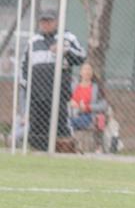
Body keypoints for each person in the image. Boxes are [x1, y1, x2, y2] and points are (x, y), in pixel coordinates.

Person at [20, 10, 87, 152]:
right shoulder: (33, 41)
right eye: (43, 21)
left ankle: (67, 152)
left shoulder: (67, 37)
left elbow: (81, 56)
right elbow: (24, 66)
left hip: (58, 93)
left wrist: (65, 50)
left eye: (49, 21)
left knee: (61, 126)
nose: (46, 24)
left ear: (56, 22)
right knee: (37, 127)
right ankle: (40, 152)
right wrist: (26, 85)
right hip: (37, 94)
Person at [68, 61, 109, 153]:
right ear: (80, 72)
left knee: (68, 123)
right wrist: (71, 103)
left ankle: (74, 145)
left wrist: (88, 107)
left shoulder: (96, 88)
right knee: (67, 121)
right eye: (85, 69)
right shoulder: (73, 86)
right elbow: (66, 100)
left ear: (92, 72)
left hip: (89, 116)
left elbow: (104, 105)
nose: (87, 72)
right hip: (73, 113)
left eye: (89, 69)